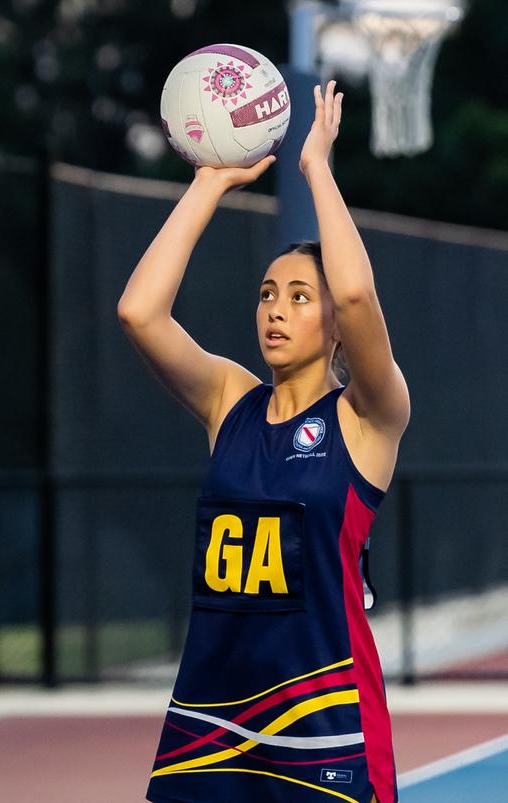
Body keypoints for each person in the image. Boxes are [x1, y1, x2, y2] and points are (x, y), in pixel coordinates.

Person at [117, 80, 410, 803]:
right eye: (267, 293)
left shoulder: (368, 416)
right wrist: (209, 181)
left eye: (298, 296)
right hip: (211, 726)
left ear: (333, 326)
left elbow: (355, 295)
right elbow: (139, 311)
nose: (276, 309)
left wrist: (316, 167)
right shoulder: (230, 403)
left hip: (324, 729)